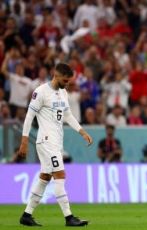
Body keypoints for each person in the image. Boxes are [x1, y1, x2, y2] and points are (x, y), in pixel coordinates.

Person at [17, 63, 93, 226]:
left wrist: (82, 132)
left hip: (56, 142)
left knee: (45, 177)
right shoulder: (41, 92)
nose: (67, 84)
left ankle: (26, 215)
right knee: (60, 176)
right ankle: (69, 217)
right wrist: (24, 140)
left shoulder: (63, 93)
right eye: (65, 80)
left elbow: (68, 116)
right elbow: (29, 116)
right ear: (56, 75)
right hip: (46, 141)